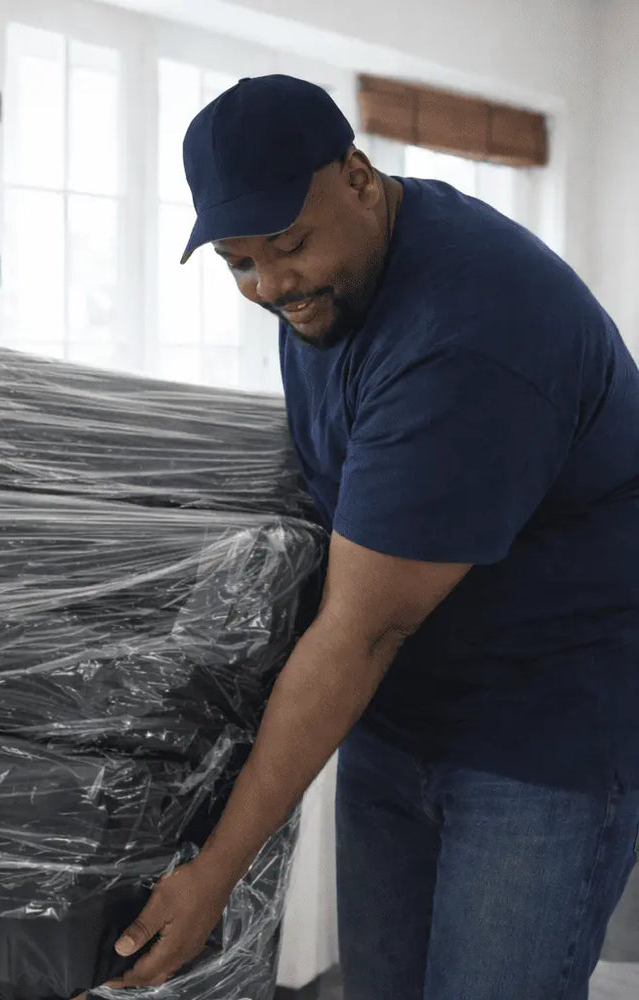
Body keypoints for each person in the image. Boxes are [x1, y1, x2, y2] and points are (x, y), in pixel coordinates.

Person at [105, 74, 639, 999]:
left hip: (544, 731)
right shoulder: (324, 287)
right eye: (239, 263)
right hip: (401, 715)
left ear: (358, 175)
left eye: (289, 245)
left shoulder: (472, 329)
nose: (271, 284)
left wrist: (214, 875)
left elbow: (364, 630)